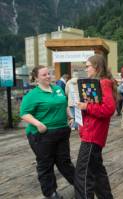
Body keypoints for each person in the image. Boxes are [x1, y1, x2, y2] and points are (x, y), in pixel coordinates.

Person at [20, 65, 75, 199]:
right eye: (44, 75)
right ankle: (51, 193)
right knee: (46, 164)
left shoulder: (57, 89)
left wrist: (70, 116)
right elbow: (24, 114)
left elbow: (64, 104)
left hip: (62, 132)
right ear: (36, 78)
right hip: (43, 135)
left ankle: (80, 184)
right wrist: (38, 124)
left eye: (49, 74)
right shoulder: (32, 95)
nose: (48, 76)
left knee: (65, 161)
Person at [74, 54, 116, 199]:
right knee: (97, 172)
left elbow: (109, 109)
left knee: (83, 174)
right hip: (93, 134)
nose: (86, 69)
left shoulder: (103, 83)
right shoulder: (98, 82)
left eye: (88, 66)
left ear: (96, 67)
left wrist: (86, 106)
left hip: (92, 135)